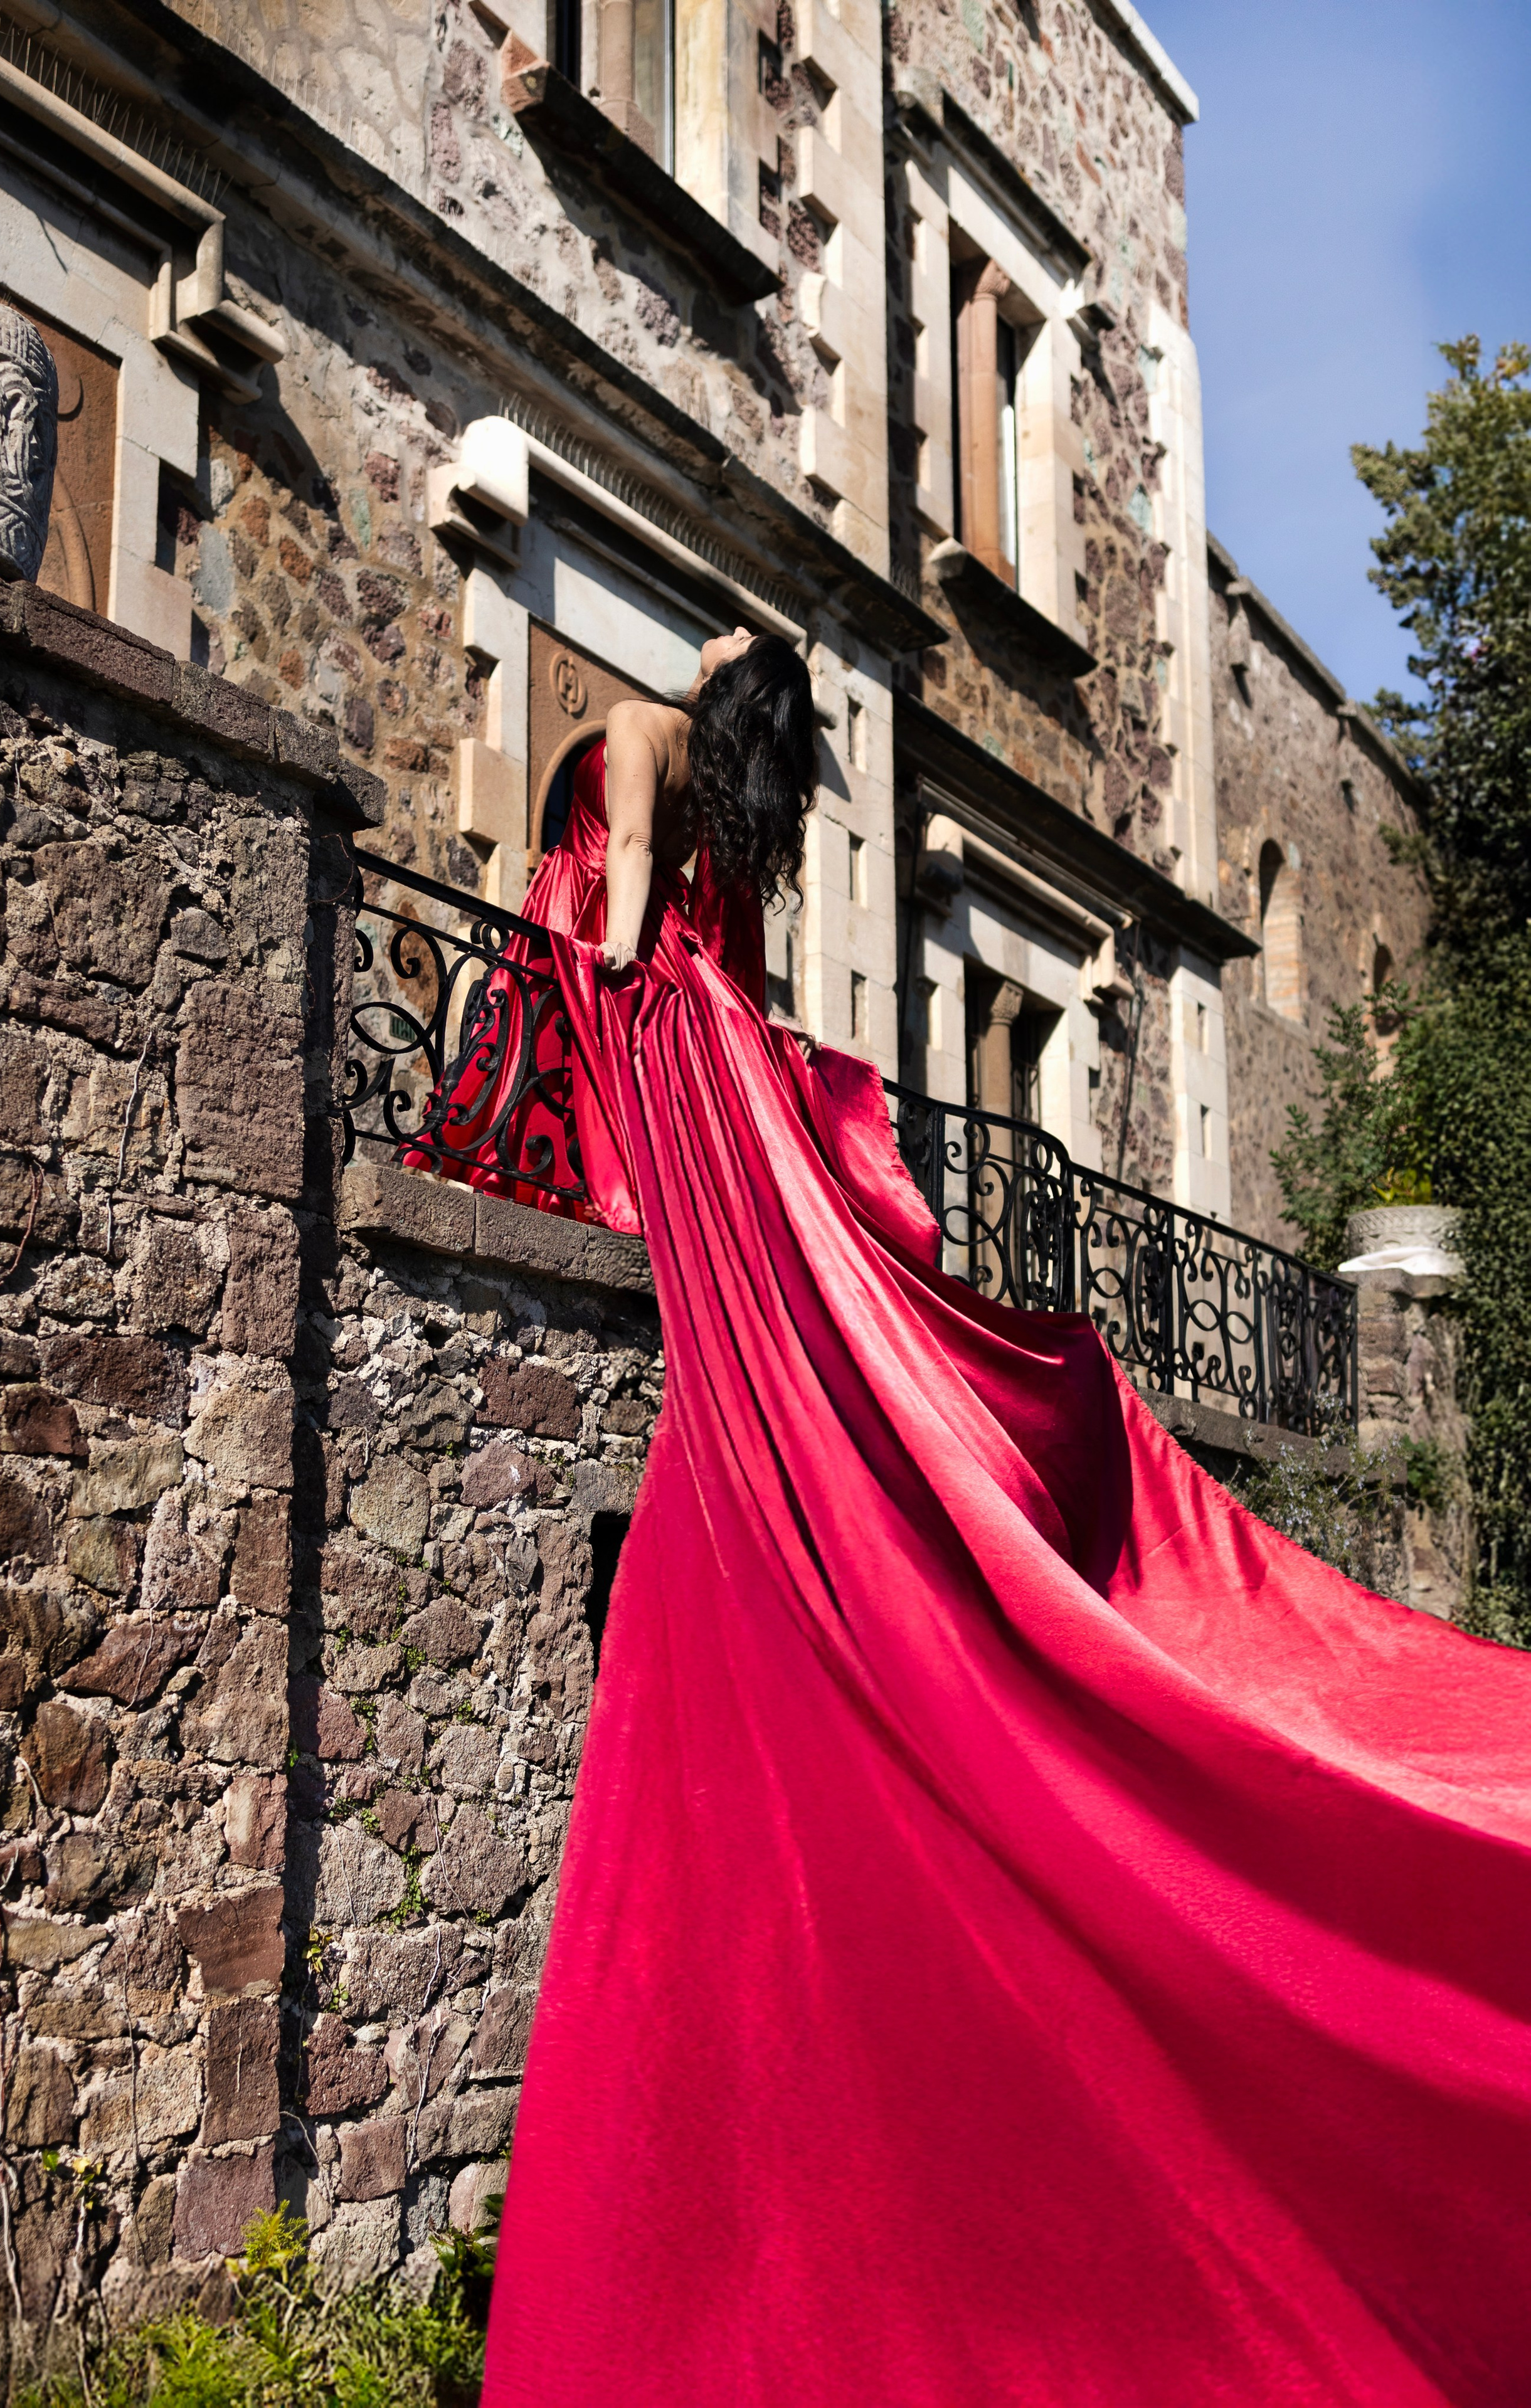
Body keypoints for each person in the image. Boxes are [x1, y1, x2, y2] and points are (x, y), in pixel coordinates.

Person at [425, 630, 1531, 2408]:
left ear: (703, 695)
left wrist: (563, 981)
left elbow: (619, 919)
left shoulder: (635, 734)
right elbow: (734, 953)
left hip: (657, 1034)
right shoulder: (738, 792)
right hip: (728, 1045)